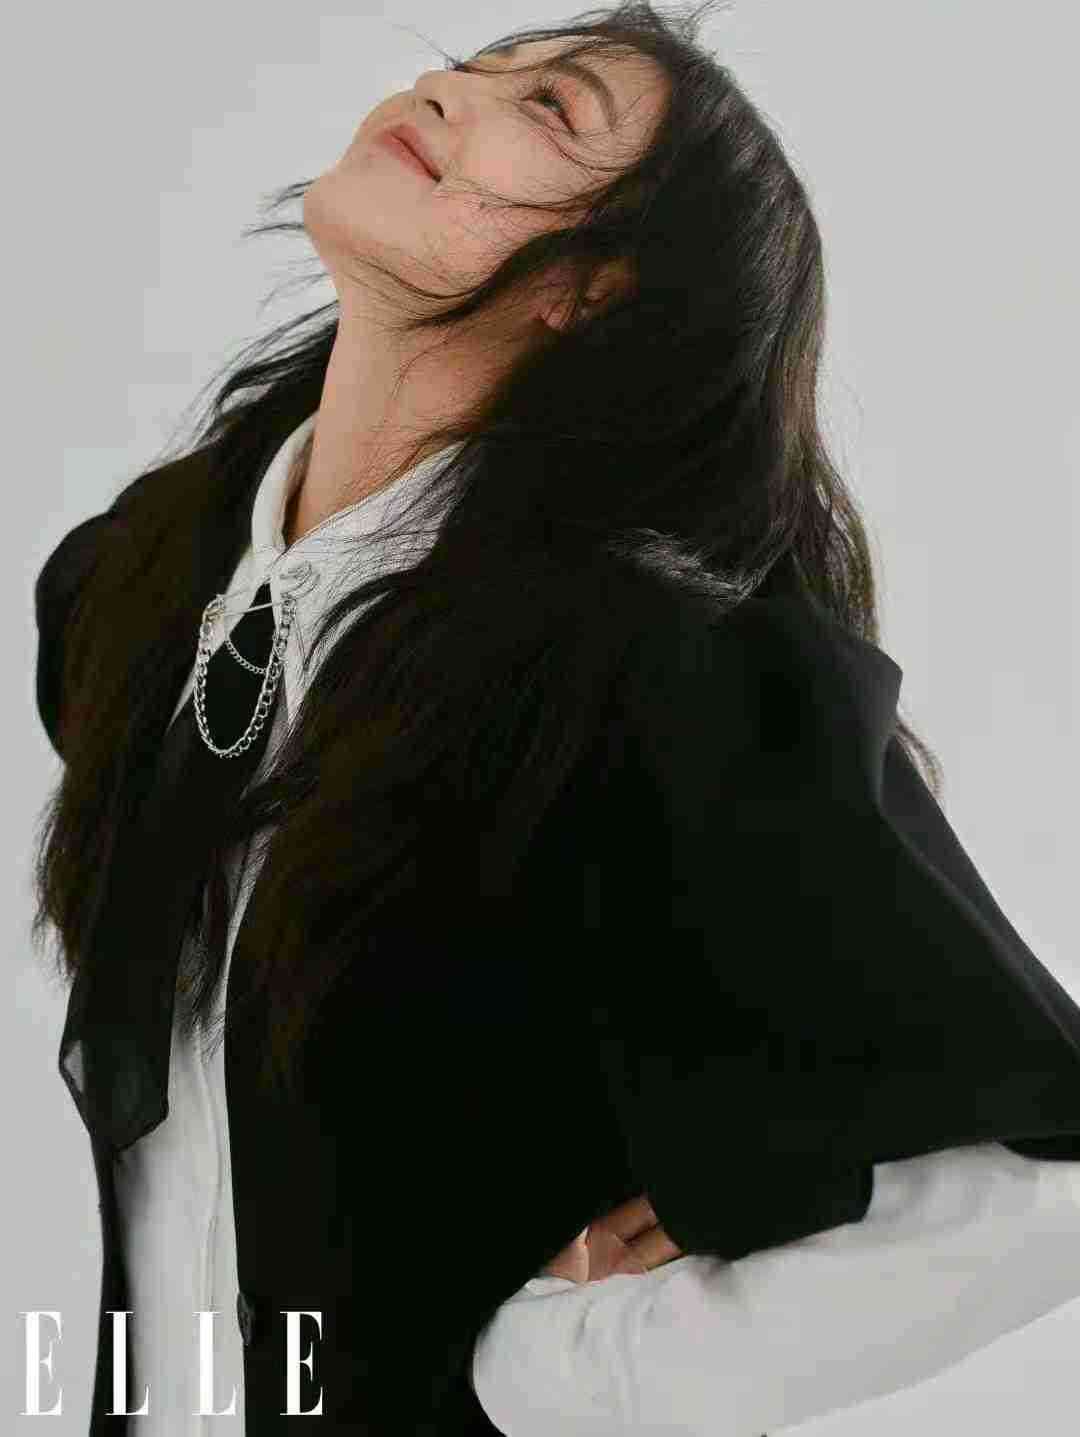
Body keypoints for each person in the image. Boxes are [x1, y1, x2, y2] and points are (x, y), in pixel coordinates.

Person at [31, 3, 1080, 1433]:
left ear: (595, 286)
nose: (450, 93)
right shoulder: (149, 579)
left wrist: (562, 1372)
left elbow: (1039, 1180)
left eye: (551, 109)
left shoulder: (670, 671)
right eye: (475, 69)